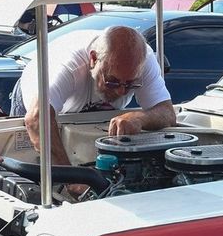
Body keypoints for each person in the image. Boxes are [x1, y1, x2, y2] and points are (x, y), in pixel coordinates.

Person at [11, 25, 175, 166]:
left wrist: (139, 118)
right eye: (113, 81)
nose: (121, 92)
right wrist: (71, 181)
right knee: (26, 160)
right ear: (93, 59)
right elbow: (37, 119)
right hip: (38, 103)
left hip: (89, 111)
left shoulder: (144, 59)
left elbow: (167, 113)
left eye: (130, 83)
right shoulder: (69, 66)